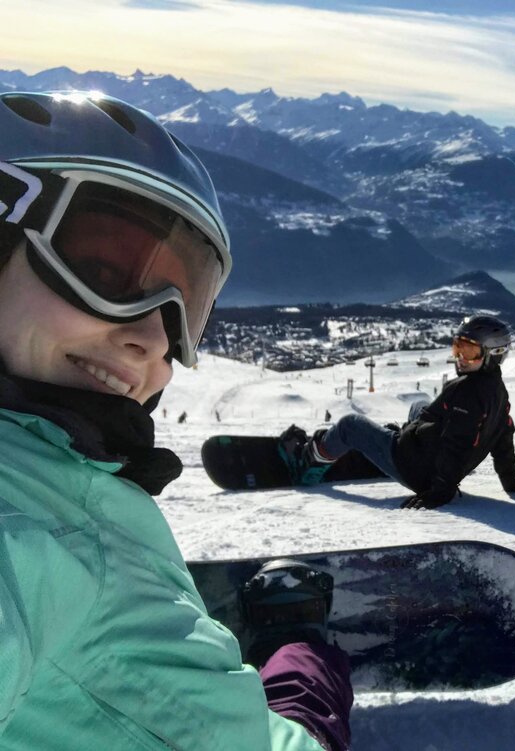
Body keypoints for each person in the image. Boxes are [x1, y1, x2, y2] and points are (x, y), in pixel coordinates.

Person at [0, 91, 351, 750]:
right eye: (105, 270)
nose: (153, 340)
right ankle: (298, 645)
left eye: (182, 309)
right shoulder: (26, 533)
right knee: (310, 708)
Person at [281, 314, 515, 509]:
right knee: (420, 406)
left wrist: (438, 492)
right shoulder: (497, 391)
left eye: (470, 352)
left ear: (494, 355)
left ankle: (308, 462)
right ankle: (395, 439)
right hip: (430, 460)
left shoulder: (466, 393)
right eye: (458, 348)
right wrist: (513, 483)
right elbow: (503, 439)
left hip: (418, 470)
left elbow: (457, 445)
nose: (461, 358)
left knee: (351, 425)